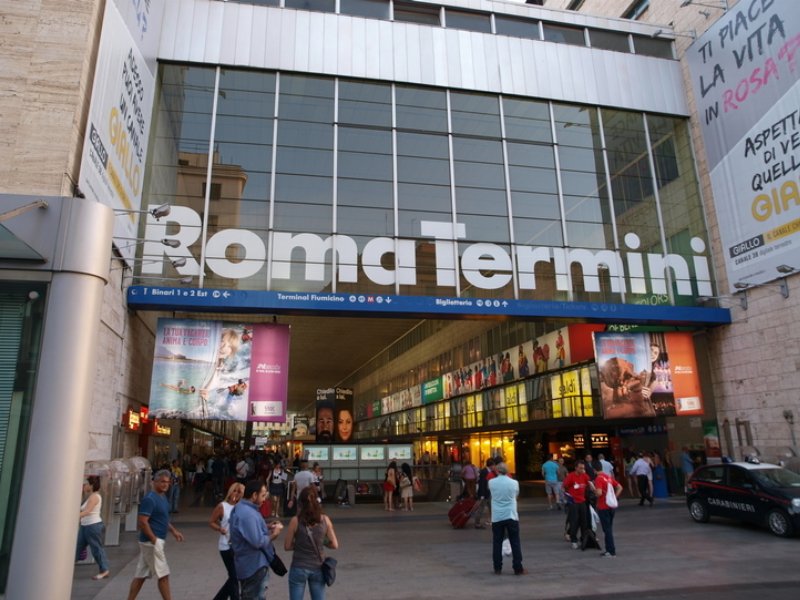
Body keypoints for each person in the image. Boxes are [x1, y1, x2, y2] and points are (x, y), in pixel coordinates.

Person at [127, 470, 185, 600]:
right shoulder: (150, 499)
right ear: (154, 482)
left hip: (153, 541)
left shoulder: (162, 497)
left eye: (168, 482)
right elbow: (142, 521)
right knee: (163, 575)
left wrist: (173, 530)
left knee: (140, 575)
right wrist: (154, 540)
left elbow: (163, 519)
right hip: (151, 542)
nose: (166, 485)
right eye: (162, 482)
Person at [230, 480, 284, 600]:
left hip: (248, 565)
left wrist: (267, 526)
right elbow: (257, 541)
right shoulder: (248, 513)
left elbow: (248, 531)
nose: (264, 499)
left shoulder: (243, 508)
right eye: (263, 495)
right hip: (254, 566)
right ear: (254, 495)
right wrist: (273, 535)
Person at [284, 486, 339, 600]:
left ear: (300, 503)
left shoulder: (295, 521)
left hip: (299, 567)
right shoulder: (325, 520)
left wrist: (300, 544)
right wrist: (322, 541)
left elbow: (287, 546)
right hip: (318, 567)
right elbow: (334, 544)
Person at [209, 482, 245, 600]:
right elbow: (211, 522)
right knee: (234, 576)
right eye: (234, 491)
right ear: (230, 492)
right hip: (226, 546)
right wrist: (220, 528)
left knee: (235, 576)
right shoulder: (222, 506)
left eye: (239, 492)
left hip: (239, 546)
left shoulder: (242, 507)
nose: (236, 494)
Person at [489, 462, 526, 575]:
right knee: (515, 541)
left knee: (497, 542)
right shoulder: (514, 483)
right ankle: (518, 567)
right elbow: (516, 495)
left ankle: (497, 567)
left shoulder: (491, 482)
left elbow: (492, 494)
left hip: (497, 516)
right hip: (511, 514)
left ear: (497, 471)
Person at [76, 475, 110, 580]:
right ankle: (64, 567)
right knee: (77, 547)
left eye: (86, 484)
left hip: (93, 526)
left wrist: (74, 516)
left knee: (96, 548)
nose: (84, 486)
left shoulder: (95, 497)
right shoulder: (89, 496)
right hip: (85, 526)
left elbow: (87, 511)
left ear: (91, 485)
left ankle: (104, 570)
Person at [592, 469, 623, 557]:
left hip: (603, 506)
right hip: (611, 506)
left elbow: (599, 493)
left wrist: (594, 490)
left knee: (607, 530)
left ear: (594, 470)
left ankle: (611, 550)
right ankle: (610, 549)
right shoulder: (608, 477)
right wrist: (614, 497)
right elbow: (620, 487)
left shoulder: (598, 478)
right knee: (609, 528)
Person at [562, 461, 591, 550]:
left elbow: (589, 484)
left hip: (582, 501)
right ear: (576, 468)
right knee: (574, 521)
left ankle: (583, 539)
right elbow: (564, 487)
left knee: (584, 521)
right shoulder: (570, 476)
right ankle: (573, 540)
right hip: (573, 502)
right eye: (581, 468)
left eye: (583, 468)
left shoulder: (585, 476)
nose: (582, 470)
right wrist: (567, 497)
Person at [473, 458, 495, 528]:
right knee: (481, 508)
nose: (494, 467)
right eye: (494, 465)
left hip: (488, 493)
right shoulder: (484, 472)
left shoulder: (489, 472)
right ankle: (477, 523)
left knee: (492, 507)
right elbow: (482, 484)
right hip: (484, 494)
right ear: (491, 465)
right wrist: (482, 495)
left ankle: (493, 520)